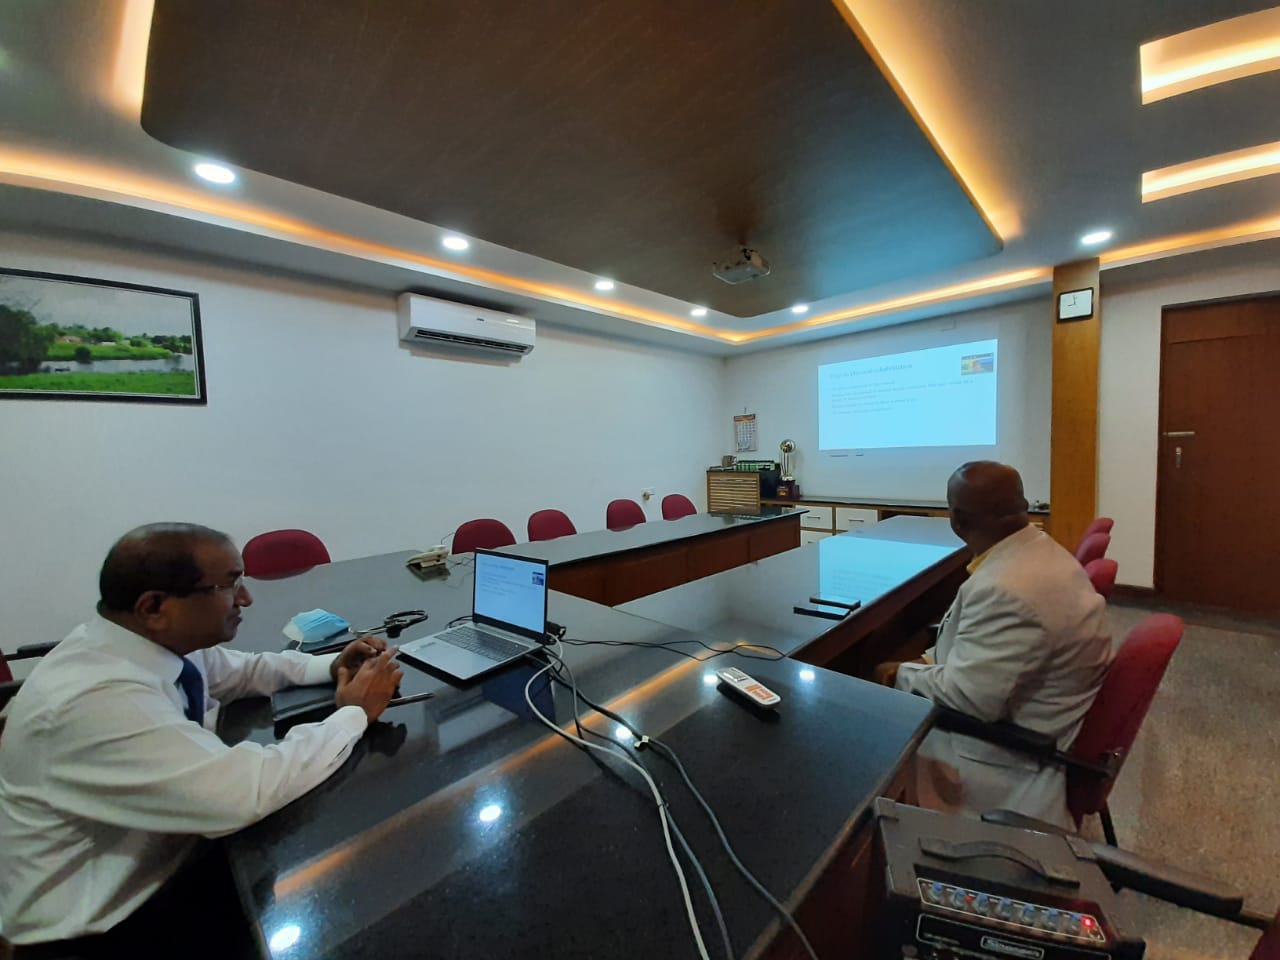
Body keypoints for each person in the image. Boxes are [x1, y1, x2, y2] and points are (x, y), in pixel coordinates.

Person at [0, 523, 403, 954]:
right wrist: (352, 714)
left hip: (165, 859)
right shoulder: (96, 701)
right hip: (104, 928)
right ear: (155, 606)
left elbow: (243, 671)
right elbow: (244, 792)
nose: (245, 598)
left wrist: (330, 666)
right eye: (229, 585)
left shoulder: (143, 641)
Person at [882, 462, 1111, 828]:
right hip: (1038, 725)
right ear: (1023, 505)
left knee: (862, 720)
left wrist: (898, 674)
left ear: (957, 520)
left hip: (1001, 760)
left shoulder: (1006, 589)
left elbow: (968, 700)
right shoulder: (1040, 551)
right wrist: (927, 661)